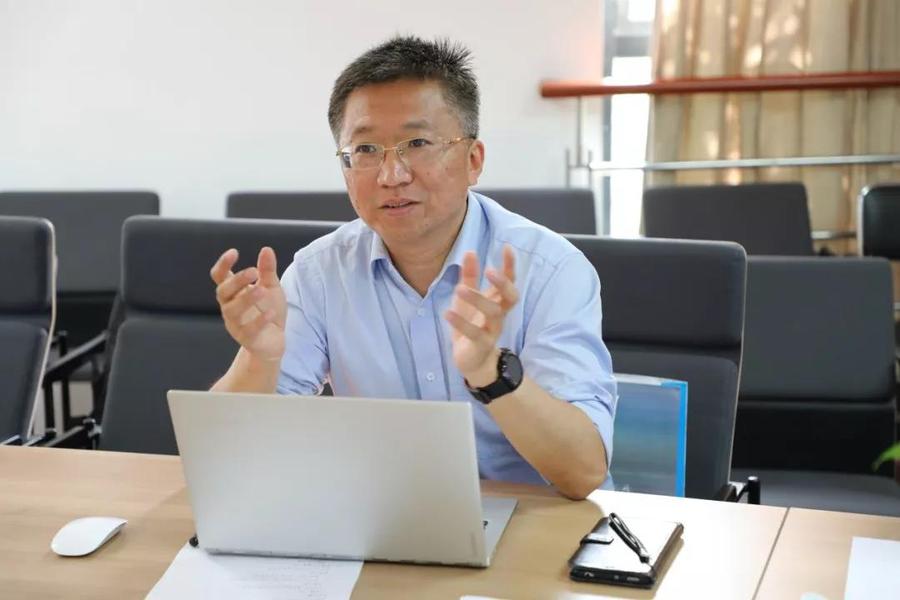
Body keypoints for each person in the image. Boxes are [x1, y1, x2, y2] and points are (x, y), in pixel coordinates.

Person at [209, 36, 616, 500]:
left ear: (473, 160)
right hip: (385, 519)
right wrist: (259, 359)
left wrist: (491, 373)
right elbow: (225, 457)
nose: (392, 175)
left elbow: (583, 471)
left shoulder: (550, 271)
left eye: (417, 143)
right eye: (365, 150)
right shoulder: (319, 273)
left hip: (532, 525)